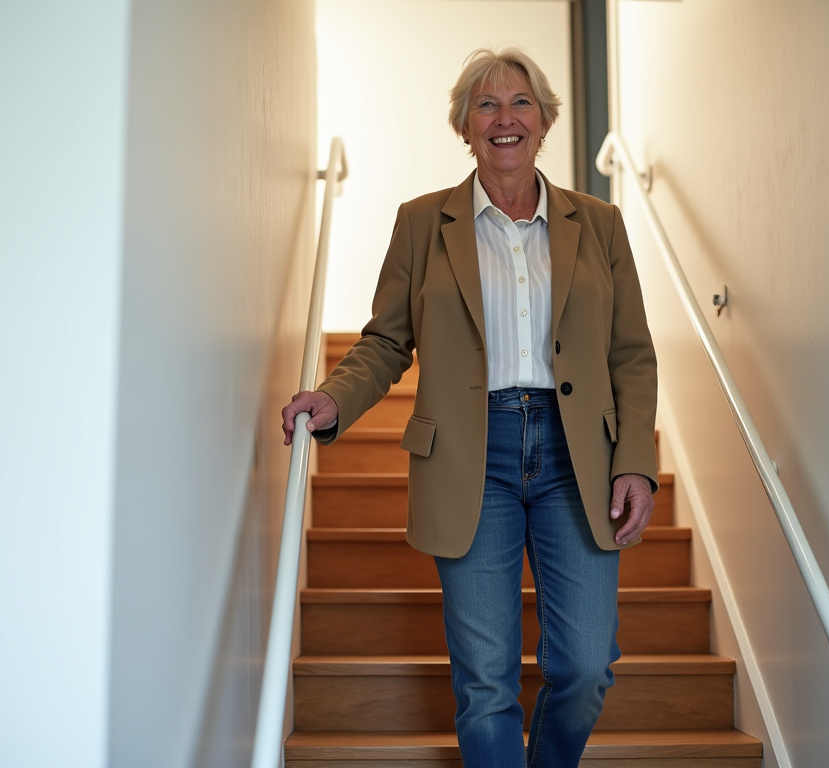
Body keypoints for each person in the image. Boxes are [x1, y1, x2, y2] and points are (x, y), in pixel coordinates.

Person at [281, 47, 658, 768]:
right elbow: (387, 342)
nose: (504, 118)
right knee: (485, 681)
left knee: (583, 668)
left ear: (544, 121)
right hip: (468, 457)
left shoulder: (600, 224)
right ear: (463, 126)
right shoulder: (423, 223)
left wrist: (635, 462)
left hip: (577, 457)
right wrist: (332, 399)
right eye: (485, 105)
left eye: (520, 103)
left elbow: (630, 355)